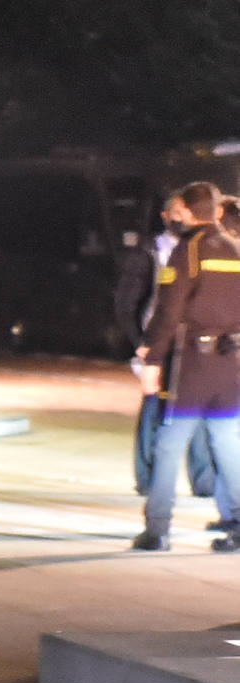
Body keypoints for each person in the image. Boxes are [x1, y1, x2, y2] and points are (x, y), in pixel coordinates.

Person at [134, 181, 240, 553]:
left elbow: (168, 311)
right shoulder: (236, 249)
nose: (174, 216)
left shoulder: (187, 251)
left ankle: (157, 530)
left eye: (178, 209)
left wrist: (152, 359)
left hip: (194, 366)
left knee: (168, 446)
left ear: (190, 211)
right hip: (232, 365)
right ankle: (239, 527)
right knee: (229, 445)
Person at [117, 194, 217, 505]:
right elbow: (126, 303)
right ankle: (148, 480)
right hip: (159, 346)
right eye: (175, 213)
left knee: (199, 415)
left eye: (183, 213)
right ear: (165, 215)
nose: (180, 219)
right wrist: (142, 344)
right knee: (154, 413)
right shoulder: (150, 252)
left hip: (195, 347)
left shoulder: (203, 250)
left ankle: (205, 482)